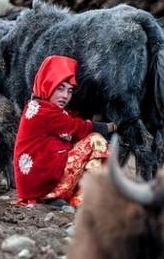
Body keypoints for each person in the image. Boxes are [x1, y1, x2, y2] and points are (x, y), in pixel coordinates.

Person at [13, 55, 115, 208]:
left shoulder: (37, 106)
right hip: (39, 186)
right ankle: (78, 198)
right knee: (96, 141)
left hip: (33, 184)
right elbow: (78, 128)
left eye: (69, 91)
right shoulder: (45, 111)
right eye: (60, 88)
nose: (65, 96)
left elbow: (70, 124)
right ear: (47, 83)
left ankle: (66, 196)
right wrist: (111, 127)